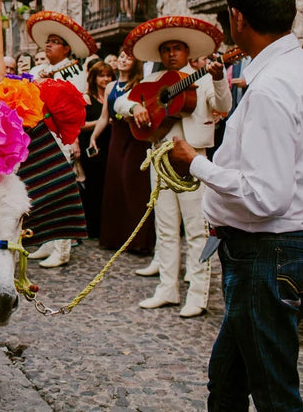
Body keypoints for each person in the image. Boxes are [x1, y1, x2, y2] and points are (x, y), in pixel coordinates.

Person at [170, 0, 303, 410]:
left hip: (268, 251)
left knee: (273, 392)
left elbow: (267, 195)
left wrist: (198, 164)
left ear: (238, 18)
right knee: (225, 382)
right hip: (272, 250)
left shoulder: (275, 85)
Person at [115, 16, 232, 318]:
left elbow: (224, 105)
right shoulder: (152, 83)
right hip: (160, 157)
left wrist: (219, 78)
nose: (171, 54)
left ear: (187, 51)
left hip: (194, 159)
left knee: (196, 229)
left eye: (177, 48)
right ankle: (167, 288)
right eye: (166, 49)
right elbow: (119, 104)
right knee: (165, 228)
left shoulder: (203, 78)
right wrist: (135, 107)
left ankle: (198, 293)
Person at [24, 11, 98, 268]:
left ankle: (63, 248)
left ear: (66, 49)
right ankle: (48, 240)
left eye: (55, 42)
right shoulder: (38, 70)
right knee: (45, 190)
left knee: (62, 191)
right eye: (48, 41)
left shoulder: (74, 72)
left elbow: (74, 108)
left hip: (61, 137)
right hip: (40, 136)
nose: (49, 45)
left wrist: (74, 138)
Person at [90, 51, 154, 255]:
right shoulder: (110, 86)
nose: (124, 60)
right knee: (115, 185)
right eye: (121, 56)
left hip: (135, 137)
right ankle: (116, 238)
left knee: (135, 187)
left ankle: (139, 240)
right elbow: (103, 117)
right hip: (116, 136)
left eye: (129, 57)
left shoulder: (140, 84)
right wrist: (94, 136)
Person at [78, 61, 115, 240]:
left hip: (109, 143)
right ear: (94, 78)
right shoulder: (86, 98)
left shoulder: (111, 95)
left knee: (108, 186)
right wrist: (102, 121)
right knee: (94, 187)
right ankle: (92, 227)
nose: (106, 79)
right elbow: (80, 125)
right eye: (102, 76)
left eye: (108, 76)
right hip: (91, 145)